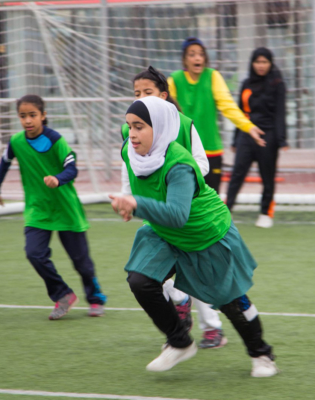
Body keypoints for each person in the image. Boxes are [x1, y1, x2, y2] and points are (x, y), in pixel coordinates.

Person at [111, 96, 277, 377]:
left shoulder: (180, 165)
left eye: (139, 126)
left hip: (205, 232)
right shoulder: (129, 147)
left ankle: (262, 354)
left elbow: (178, 215)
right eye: (129, 126)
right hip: (164, 231)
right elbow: (142, 189)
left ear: (161, 127)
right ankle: (179, 342)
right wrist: (129, 202)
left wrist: (137, 204)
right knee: (141, 281)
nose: (132, 133)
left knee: (231, 301)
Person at [121, 66, 227, 349]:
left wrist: (179, 186)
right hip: (155, 216)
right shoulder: (130, 128)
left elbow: (201, 164)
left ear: (164, 96)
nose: (142, 98)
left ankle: (212, 328)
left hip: (188, 218)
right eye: (137, 94)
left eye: (148, 92)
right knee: (151, 273)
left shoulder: (183, 124)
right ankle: (179, 306)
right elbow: (129, 166)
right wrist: (128, 198)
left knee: (199, 274)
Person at [0, 94, 106, 320]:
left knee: (81, 262)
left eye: (32, 115)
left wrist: (58, 178)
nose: (28, 121)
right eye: (23, 116)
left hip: (65, 207)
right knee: (33, 253)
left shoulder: (56, 140)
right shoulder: (16, 142)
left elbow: (72, 169)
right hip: (38, 209)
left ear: (43, 115)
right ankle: (62, 294)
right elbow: (4, 163)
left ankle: (96, 298)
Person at [168, 37, 266, 194]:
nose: (197, 58)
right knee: (185, 203)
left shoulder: (213, 76)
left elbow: (228, 105)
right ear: (184, 59)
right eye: (192, 54)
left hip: (211, 151)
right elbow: (165, 111)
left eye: (201, 54)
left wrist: (248, 127)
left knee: (211, 202)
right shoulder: (175, 80)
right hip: (183, 153)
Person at [226, 48, 289, 228]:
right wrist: (235, 139)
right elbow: (239, 112)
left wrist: (281, 139)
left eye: (265, 62)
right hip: (247, 134)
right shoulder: (246, 83)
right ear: (252, 63)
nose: (261, 66)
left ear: (271, 63)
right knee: (237, 173)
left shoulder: (278, 84)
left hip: (268, 136)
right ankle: (226, 211)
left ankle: (264, 213)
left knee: (267, 177)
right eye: (258, 62)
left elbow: (280, 113)